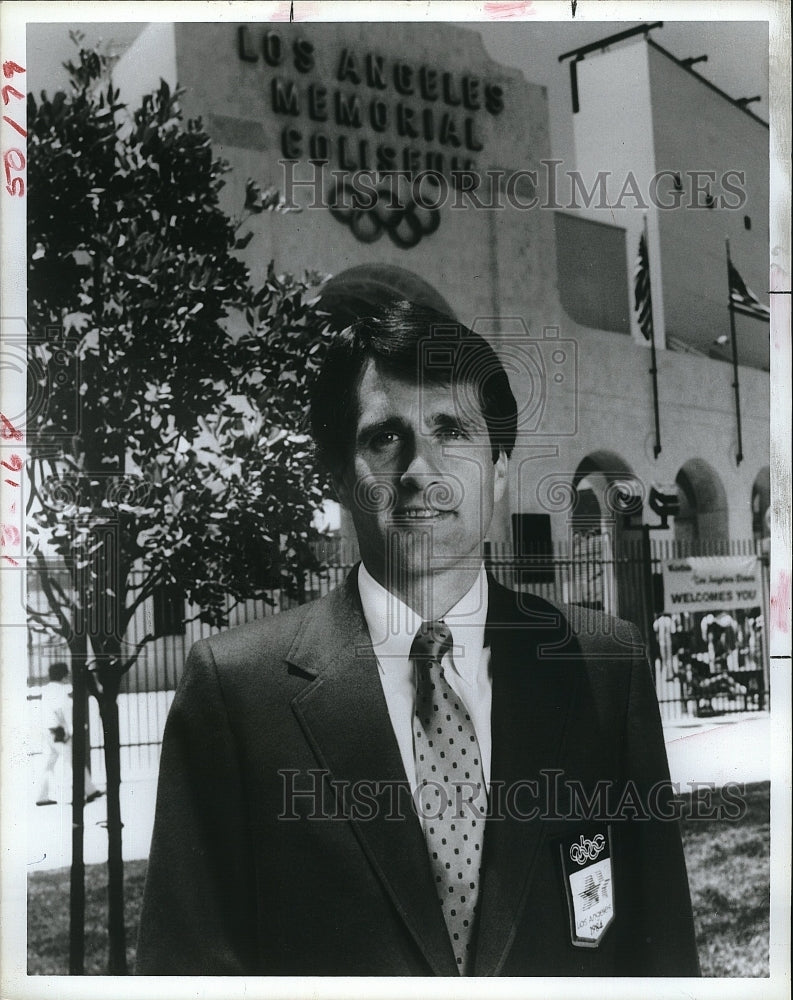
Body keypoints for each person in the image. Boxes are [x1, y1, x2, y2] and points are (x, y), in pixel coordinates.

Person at [136, 301, 700, 976]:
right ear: (340, 477)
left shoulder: (604, 665)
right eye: (383, 437)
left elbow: (660, 953)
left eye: (451, 429)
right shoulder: (235, 691)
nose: (418, 469)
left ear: (497, 471)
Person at [36, 661, 103, 806]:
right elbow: (59, 711)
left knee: (50, 763)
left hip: (49, 731)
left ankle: (41, 795)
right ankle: (89, 792)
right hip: (59, 731)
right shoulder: (60, 690)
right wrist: (67, 730)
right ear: (63, 675)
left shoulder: (47, 689)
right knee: (75, 761)